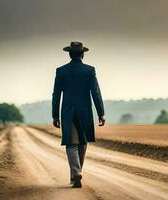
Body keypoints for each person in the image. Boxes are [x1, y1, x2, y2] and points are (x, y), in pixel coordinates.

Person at [52, 41, 105, 188]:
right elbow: (96, 92)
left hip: (68, 111)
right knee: (82, 143)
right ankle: (77, 172)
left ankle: (76, 173)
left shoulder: (61, 71)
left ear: (70, 54)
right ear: (82, 54)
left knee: (71, 143)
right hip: (85, 112)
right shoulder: (90, 70)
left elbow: (56, 94)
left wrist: (55, 115)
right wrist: (101, 113)